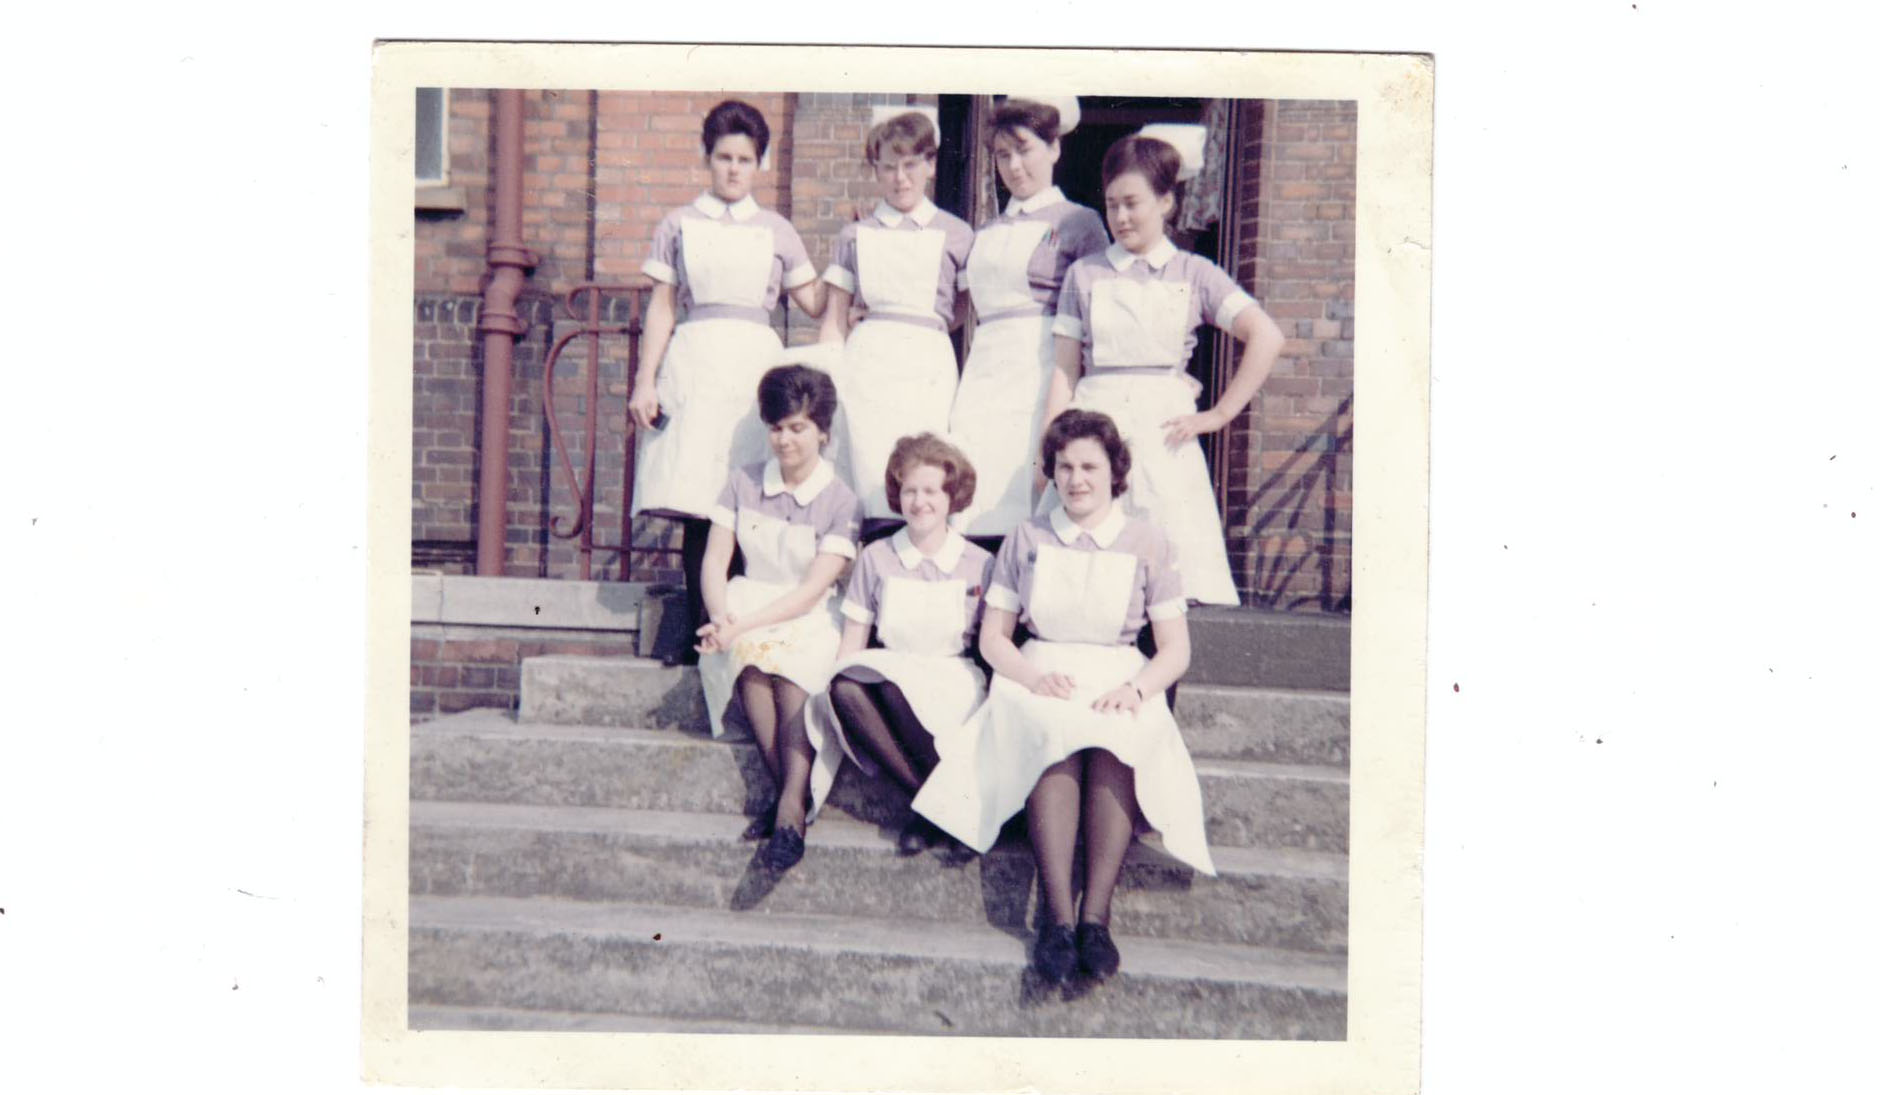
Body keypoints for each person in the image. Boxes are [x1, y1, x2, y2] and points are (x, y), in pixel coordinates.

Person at [912, 410, 1214, 986]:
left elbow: (1174, 649)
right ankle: (1055, 919)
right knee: (1051, 731)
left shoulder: (1148, 540)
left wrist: (1137, 689)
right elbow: (994, 638)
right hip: (1041, 667)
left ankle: (1095, 918)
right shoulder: (1026, 537)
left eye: (1089, 467)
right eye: (1065, 467)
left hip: (1118, 673)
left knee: (1116, 738)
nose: (1076, 479)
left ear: (1114, 473)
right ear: (1050, 472)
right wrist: (1030, 678)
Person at [1043, 133, 1286, 605]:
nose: (1121, 217)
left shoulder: (1194, 273)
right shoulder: (1085, 275)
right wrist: (1048, 451)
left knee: (1169, 580)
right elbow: (1064, 373)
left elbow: (1267, 335)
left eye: (1133, 203)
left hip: (1164, 434)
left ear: (1166, 202)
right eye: (1112, 205)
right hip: (1096, 427)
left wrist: (1218, 415)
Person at [629, 99, 826, 662]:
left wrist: (847, 270)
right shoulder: (679, 225)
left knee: (746, 499)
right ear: (707, 158)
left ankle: (742, 633)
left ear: (759, 163)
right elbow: (663, 308)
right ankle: (700, 640)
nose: (734, 169)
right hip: (695, 362)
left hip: (752, 367)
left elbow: (813, 301)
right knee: (699, 503)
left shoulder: (776, 230)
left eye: (744, 158)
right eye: (723, 157)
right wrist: (646, 381)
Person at [695, 365, 861, 873]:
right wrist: (723, 617)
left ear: (823, 432)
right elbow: (714, 561)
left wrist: (740, 626)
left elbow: (813, 589)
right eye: (776, 427)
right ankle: (796, 806)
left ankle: (789, 806)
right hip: (747, 604)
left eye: (797, 428)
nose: (784, 440)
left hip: (808, 612)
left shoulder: (841, 501)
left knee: (792, 675)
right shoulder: (743, 482)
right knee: (749, 666)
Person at [803, 433, 993, 863]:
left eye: (931, 491)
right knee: (849, 688)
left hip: (952, 677)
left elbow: (990, 641)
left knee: (893, 687)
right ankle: (937, 807)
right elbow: (853, 639)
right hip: (891, 668)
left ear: (952, 496)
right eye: (909, 490)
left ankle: (930, 812)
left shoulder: (979, 561)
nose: (919, 501)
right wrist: (829, 690)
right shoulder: (876, 556)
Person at [947, 97, 1109, 537]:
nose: (1015, 166)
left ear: (1054, 149)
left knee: (1027, 484)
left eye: (1025, 150)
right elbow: (959, 308)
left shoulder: (1080, 221)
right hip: (984, 370)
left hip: (1042, 368)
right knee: (975, 484)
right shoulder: (986, 232)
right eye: (1003, 155)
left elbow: (1102, 311)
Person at [819, 109, 973, 524]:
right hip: (868, 364)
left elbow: (963, 306)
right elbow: (834, 318)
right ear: (876, 170)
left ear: (930, 165)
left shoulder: (958, 233)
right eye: (888, 167)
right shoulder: (855, 235)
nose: (900, 178)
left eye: (910, 166)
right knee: (868, 473)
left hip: (927, 364)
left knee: (926, 469)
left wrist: (924, 329)